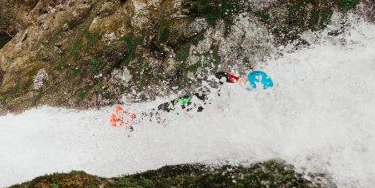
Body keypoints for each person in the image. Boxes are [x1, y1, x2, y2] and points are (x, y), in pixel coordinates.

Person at [110, 71, 273, 128]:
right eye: (244, 78)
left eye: (246, 80)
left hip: (197, 108)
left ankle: (130, 121)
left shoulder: (244, 100)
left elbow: (221, 76)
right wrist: (236, 80)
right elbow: (221, 75)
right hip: (195, 103)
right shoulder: (239, 92)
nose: (243, 79)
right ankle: (129, 120)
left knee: (164, 114)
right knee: (163, 111)